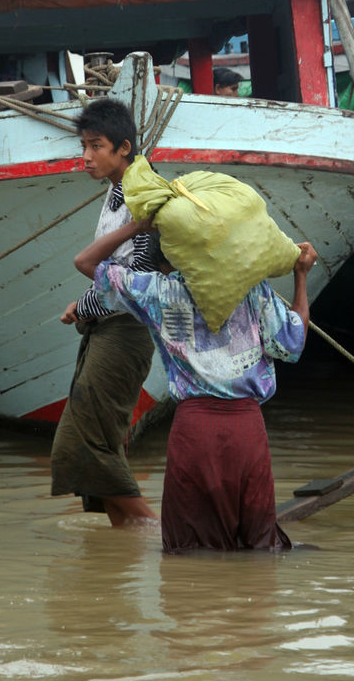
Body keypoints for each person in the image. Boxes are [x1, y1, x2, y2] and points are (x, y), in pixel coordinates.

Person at [73, 218, 318, 554]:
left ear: (164, 262)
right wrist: (301, 277)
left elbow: (85, 262)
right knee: (259, 548)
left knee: (188, 551)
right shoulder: (251, 290)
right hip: (247, 431)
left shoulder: (158, 292)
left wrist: (136, 227)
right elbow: (293, 343)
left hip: (194, 430)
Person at [50, 97, 158, 527]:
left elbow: (139, 275)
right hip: (105, 329)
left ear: (124, 148)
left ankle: (163, 536)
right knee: (101, 445)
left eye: (95, 146)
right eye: (83, 146)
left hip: (126, 331)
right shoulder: (117, 194)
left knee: (80, 444)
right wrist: (87, 306)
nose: (86, 157)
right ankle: (125, 550)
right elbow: (115, 272)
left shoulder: (144, 197)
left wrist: (83, 306)